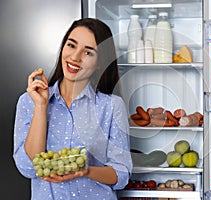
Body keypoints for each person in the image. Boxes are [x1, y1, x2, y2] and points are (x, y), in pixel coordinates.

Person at [13, 18, 132, 200]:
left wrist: (86, 171)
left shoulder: (111, 106)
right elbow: (28, 167)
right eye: (71, 45)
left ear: (100, 62)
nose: (75, 57)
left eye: (88, 52)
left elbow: (121, 173)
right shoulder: (30, 101)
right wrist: (41, 106)